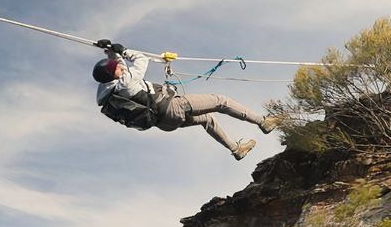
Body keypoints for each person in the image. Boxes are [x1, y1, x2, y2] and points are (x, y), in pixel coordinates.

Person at [91, 40, 271, 160]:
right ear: (111, 74)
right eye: (116, 68)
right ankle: (263, 122)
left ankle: (235, 149)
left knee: (208, 119)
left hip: (163, 122)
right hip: (172, 107)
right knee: (220, 101)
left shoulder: (108, 91)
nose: (121, 68)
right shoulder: (126, 82)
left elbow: (117, 66)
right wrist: (123, 50)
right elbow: (141, 59)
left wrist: (110, 52)